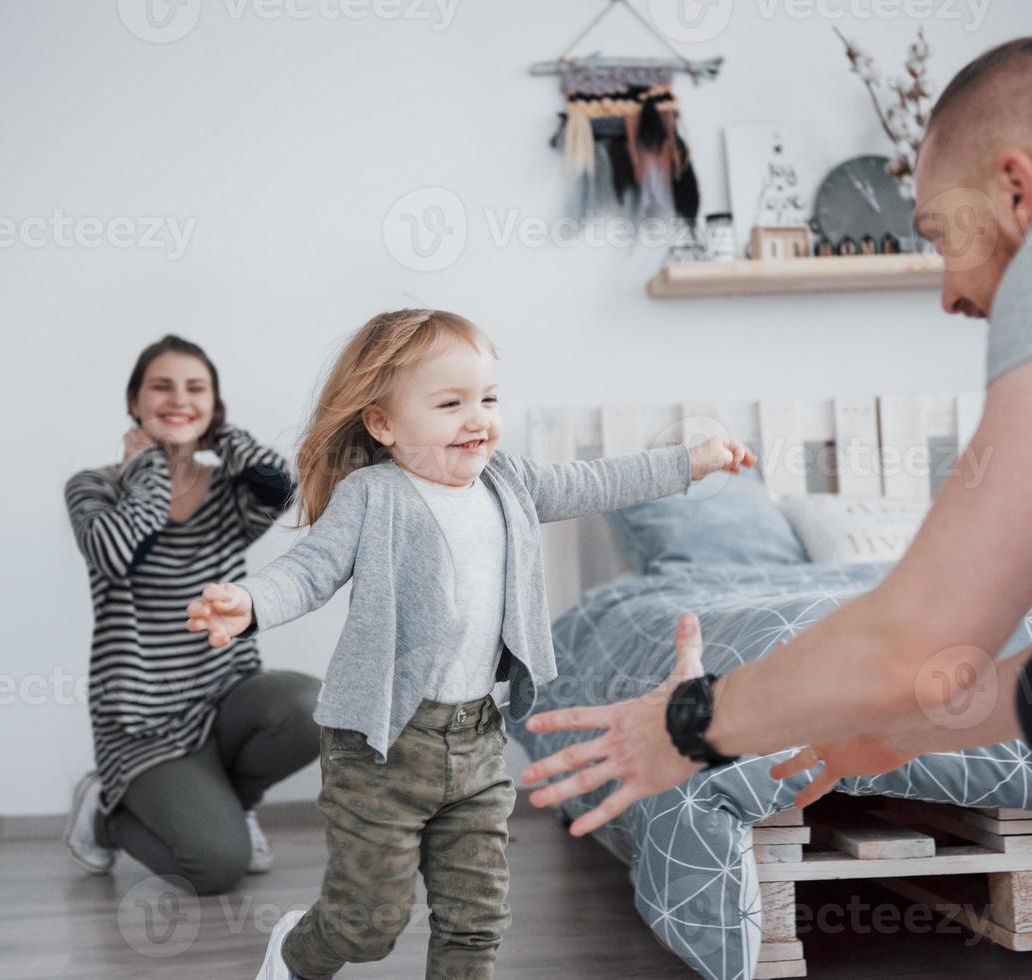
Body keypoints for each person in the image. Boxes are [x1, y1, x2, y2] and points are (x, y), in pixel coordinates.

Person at [519, 13, 1032, 978]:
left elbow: (922, 636)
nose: (948, 293)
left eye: (940, 234)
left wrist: (688, 723)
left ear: (1021, 190)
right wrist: (886, 732)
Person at [185, 308, 755, 980]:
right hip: (380, 747)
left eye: (488, 398)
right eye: (451, 403)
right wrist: (249, 604)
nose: (478, 418)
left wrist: (691, 462)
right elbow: (307, 573)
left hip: (477, 737)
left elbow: (601, 480)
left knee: (476, 919)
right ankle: (296, 951)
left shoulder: (507, 483)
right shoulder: (373, 496)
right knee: (368, 923)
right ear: (384, 424)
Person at [62, 334, 321, 896]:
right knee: (216, 868)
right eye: (162, 387)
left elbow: (284, 488)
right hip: (142, 721)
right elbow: (116, 552)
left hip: (224, 696)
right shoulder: (94, 487)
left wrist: (218, 433)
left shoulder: (230, 494)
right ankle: (105, 810)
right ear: (135, 401)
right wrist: (150, 466)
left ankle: (232, 803)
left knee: (312, 705)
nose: (178, 398)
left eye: (195, 389)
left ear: (214, 407)